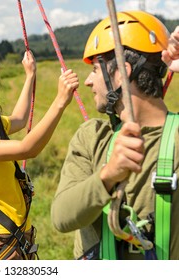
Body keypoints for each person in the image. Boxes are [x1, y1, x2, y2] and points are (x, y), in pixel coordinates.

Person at [51, 11, 179, 260]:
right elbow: (61, 217)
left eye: (96, 70)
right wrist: (107, 176)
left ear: (121, 72)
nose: (88, 81)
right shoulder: (92, 137)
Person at [0, 47, 79, 260]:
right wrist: (60, 102)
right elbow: (27, 148)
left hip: (17, 237)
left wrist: (30, 75)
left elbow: (19, 118)